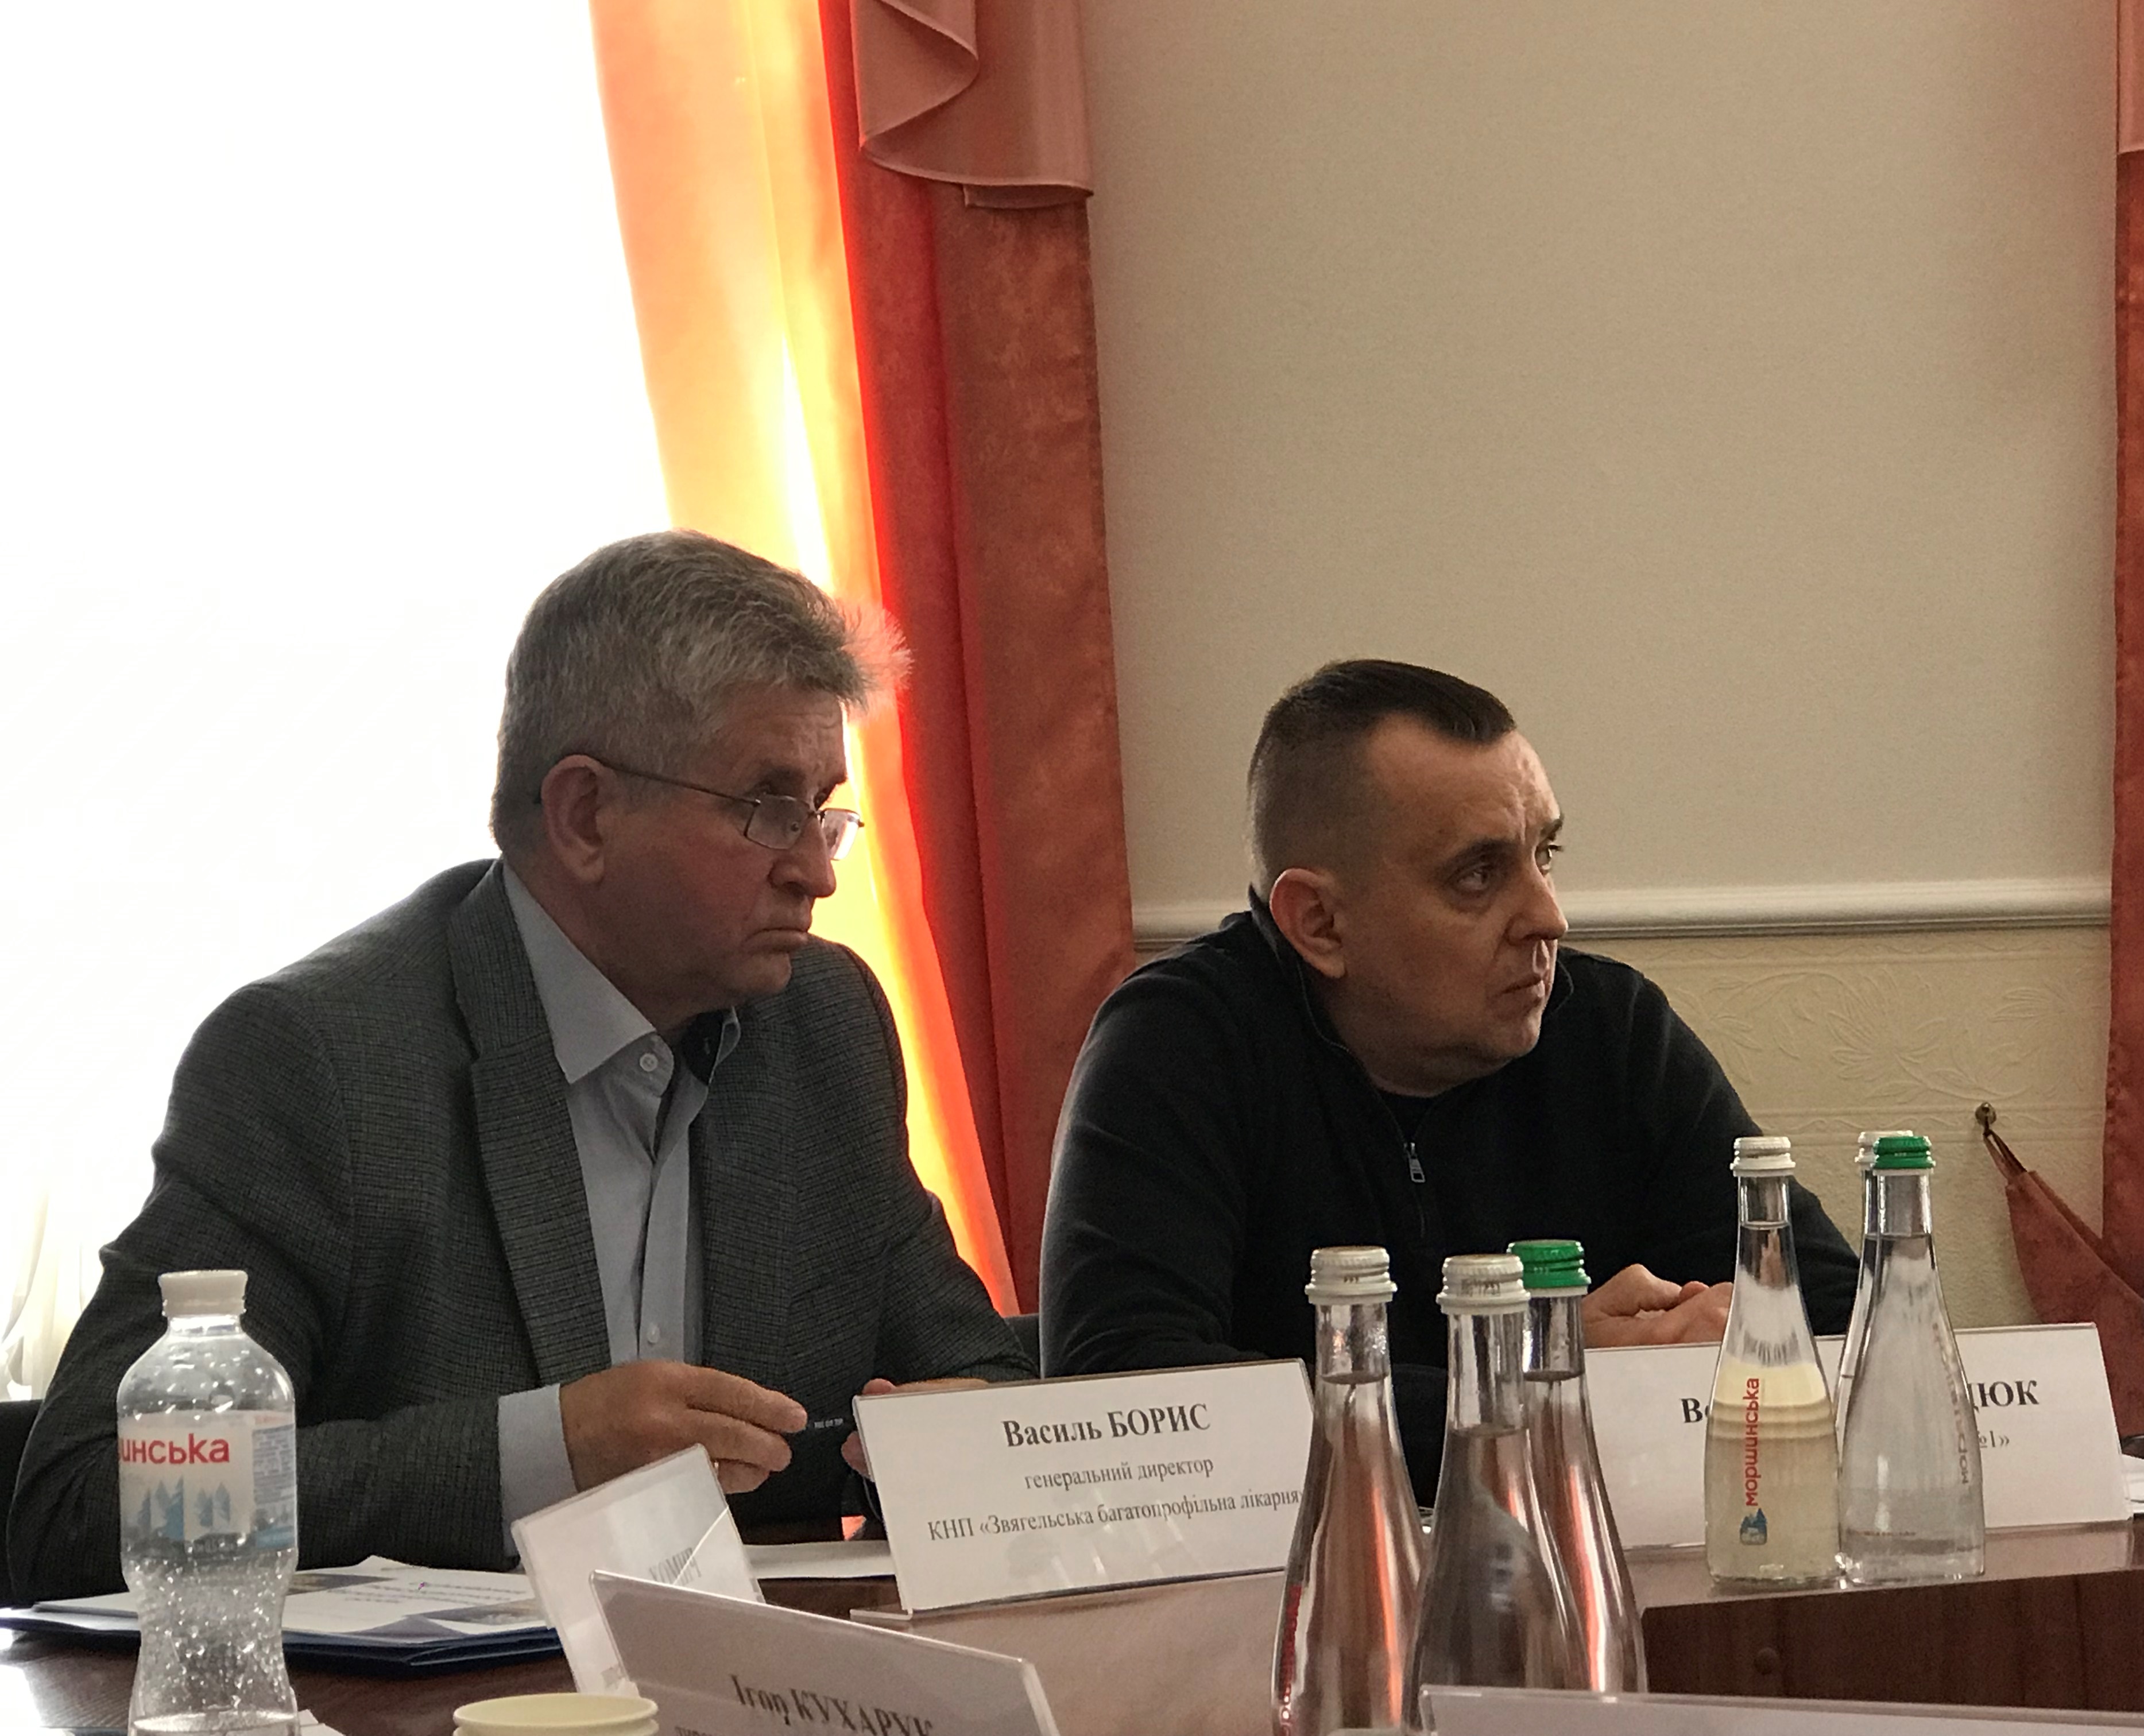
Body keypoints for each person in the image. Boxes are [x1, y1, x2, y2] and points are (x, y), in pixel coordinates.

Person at [12, 530, 1030, 1598]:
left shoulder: (820, 1026)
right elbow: (87, 1508)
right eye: (768, 811)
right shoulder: (319, 1062)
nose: (816, 873)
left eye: (824, 814)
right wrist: (544, 1455)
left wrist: (958, 1444)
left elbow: (980, 1377)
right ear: (585, 816)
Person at [1039, 658, 1856, 1498]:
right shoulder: (1178, 1044)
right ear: (1319, 924)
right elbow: (1125, 1401)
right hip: (1294, 1572)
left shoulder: (1610, 1030)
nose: (1548, 917)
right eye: (1478, 875)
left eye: (1545, 854)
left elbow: (1839, 1324)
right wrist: (1541, 1386)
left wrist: (1684, 1355)